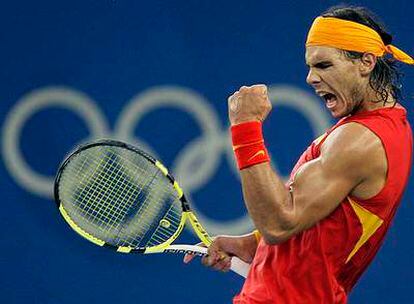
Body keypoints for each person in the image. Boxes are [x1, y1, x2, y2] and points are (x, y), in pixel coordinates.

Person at [184, 5, 414, 303]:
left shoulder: (361, 140)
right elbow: (318, 226)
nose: (310, 78)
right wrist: (252, 243)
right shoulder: (376, 129)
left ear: (366, 62)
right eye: (310, 66)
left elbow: (280, 224)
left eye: (324, 65)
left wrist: (245, 127)